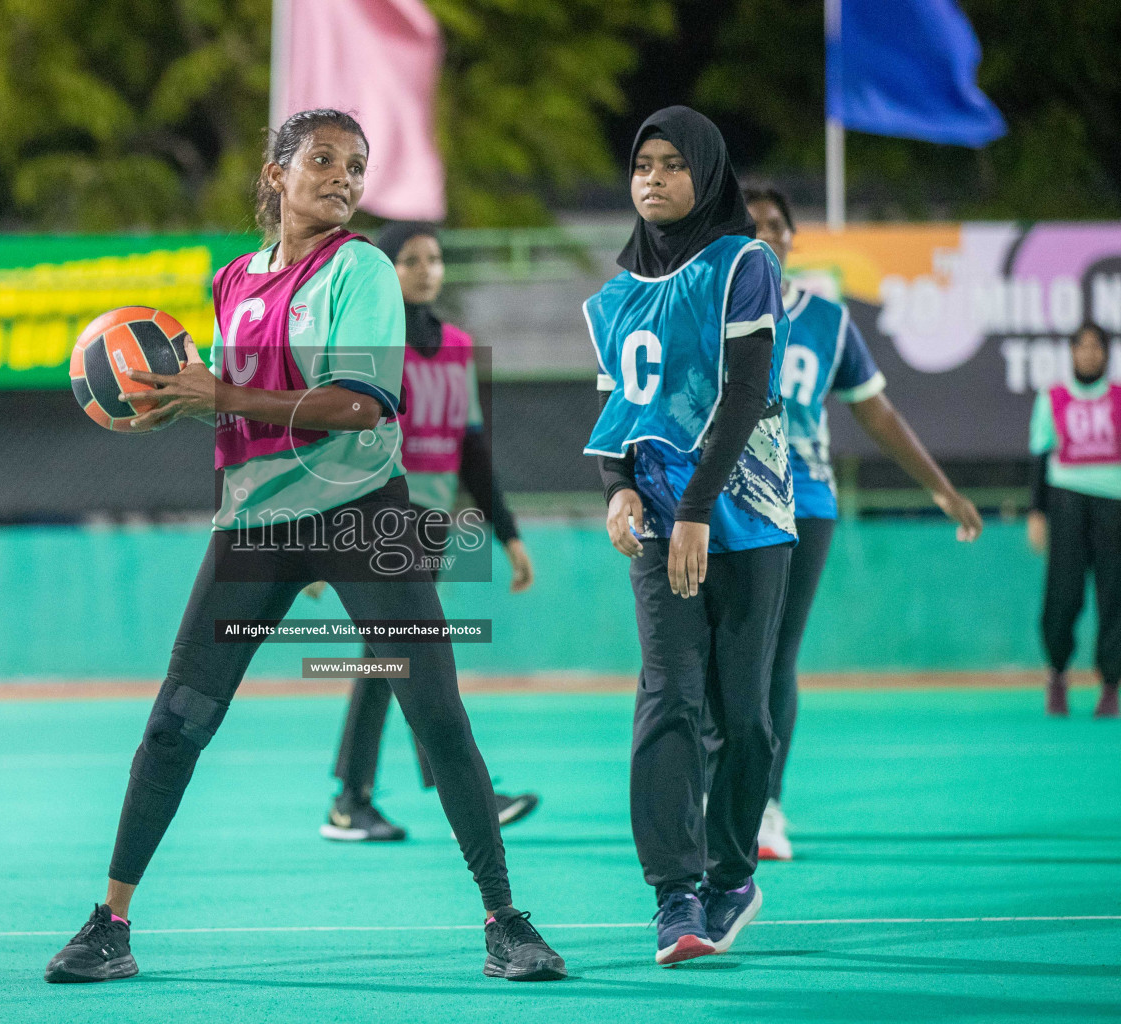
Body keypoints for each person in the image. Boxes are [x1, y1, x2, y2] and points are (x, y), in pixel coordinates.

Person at [42, 109, 566, 985]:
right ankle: (110, 925)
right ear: (276, 172)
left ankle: (506, 921)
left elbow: (360, 404)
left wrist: (224, 395)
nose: (344, 177)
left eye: (357, 166)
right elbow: (231, 421)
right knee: (178, 719)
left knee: (434, 712)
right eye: (324, 159)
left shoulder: (362, 268)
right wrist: (214, 428)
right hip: (254, 529)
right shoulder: (231, 283)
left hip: (366, 516)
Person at [585, 106, 793, 966]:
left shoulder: (744, 264)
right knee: (668, 695)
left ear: (706, 175)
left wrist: (699, 510)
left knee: (739, 714)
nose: (654, 179)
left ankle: (731, 876)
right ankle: (675, 896)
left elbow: (746, 394)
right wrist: (619, 490)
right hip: (659, 520)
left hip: (742, 514)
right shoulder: (615, 294)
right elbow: (620, 412)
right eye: (643, 166)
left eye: (673, 164)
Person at [738, 187, 984, 859]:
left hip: (805, 497)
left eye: (775, 226)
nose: (763, 235)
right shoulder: (705, 311)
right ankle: (722, 791)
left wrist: (940, 488)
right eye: (749, 225)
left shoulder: (825, 320)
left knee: (776, 654)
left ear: (791, 239)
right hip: (728, 499)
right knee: (730, 657)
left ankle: (766, 808)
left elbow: (876, 412)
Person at [313, 221, 540, 843]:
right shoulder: (370, 348)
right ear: (384, 271)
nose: (425, 268)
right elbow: (331, 442)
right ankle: (383, 796)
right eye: (410, 259)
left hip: (433, 524)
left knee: (401, 658)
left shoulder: (460, 348)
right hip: (377, 518)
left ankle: (363, 799)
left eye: (434, 258)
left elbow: (473, 452)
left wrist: (509, 535)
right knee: (402, 655)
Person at [1027, 321, 1121, 718]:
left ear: (1106, 353)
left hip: (1113, 504)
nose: (1089, 353)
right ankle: (1058, 673)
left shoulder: (1118, 398)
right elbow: (1038, 456)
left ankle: (1110, 685)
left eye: (1096, 347)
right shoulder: (1053, 397)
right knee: (1063, 595)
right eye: (1081, 347)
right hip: (1066, 502)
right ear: (1071, 353)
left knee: (1114, 596)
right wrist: (1037, 512)